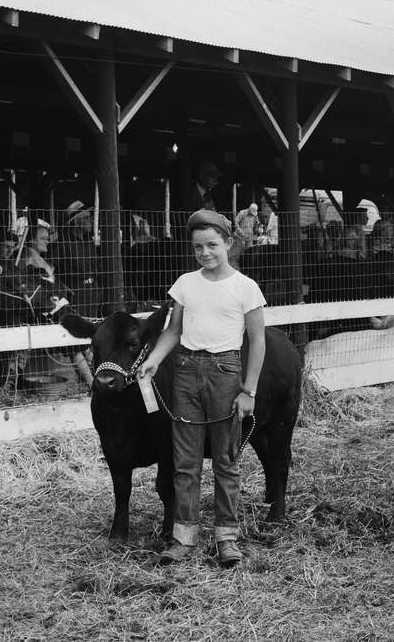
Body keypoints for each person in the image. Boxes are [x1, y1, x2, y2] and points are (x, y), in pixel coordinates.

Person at [138, 209, 267, 568]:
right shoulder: (185, 284)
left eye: (212, 245)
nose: (205, 253)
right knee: (185, 461)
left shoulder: (245, 288)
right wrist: (156, 359)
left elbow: (257, 342)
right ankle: (183, 537)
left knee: (226, 460)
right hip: (185, 372)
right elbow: (173, 331)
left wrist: (249, 390)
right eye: (198, 247)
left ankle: (227, 537)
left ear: (228, 242)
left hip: (226, 373)